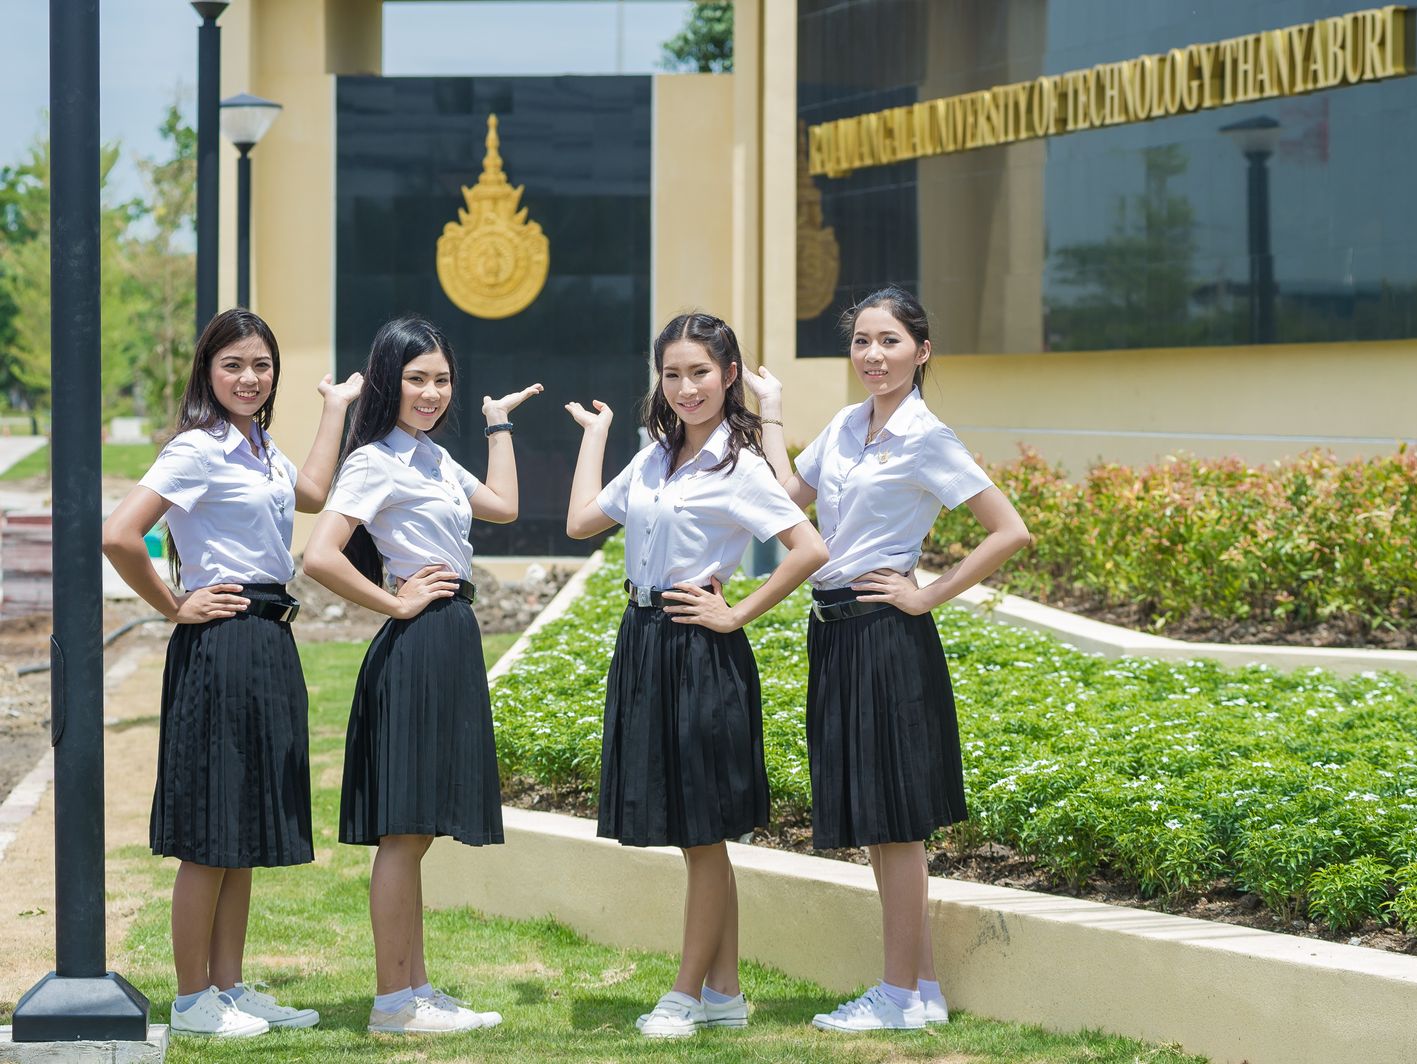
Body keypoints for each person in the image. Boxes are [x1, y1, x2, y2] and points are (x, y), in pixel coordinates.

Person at [746, 285, 1030, 1032]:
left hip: (886, 635)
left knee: (896, 822)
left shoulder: (927, 438)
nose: (873, 355)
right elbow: (789, 498)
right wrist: (771, 414)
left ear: (921, 351)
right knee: (879, 819)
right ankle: (922, 990)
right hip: (835, 631)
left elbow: (1008, 531)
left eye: (890, 341)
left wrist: (927, 594)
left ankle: (898, 995)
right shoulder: (846, 424)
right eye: (862, 341)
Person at [564, 312, 828, 1039]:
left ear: (729, 375)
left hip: (700, 649)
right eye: (672, 374)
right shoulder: (654, 456)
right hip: (643, 640)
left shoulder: (739, 467)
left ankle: (683, 995)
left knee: (702, 834)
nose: (686, 388)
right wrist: (596, 435)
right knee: (699, 834)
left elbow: (809, 549)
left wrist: (737, 614)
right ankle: (725, 994)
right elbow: (581, 521)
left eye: (700, 373)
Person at [101, 308, 363, 1038]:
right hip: (219, 643)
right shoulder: (197, 449)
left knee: (241, 827)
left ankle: (229, 988)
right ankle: (192, 1002)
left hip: (268, 639)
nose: (250, 378)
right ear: (207, 372)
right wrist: (173, 605)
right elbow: (119, 534)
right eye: (234, 365)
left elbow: (312, 493)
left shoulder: (259, 447)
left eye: (262, 365)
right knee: (210, 831)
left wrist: (335, 407)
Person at [301, 316, 540, 1036]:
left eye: (441, 380)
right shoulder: (376, 461)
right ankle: (393, 1002)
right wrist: (396, 602)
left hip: (449, 638)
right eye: (416, 379)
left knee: (418, 833)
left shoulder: (431, 458)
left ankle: (417, 989)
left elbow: (504, 507)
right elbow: (320, 555)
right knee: (403, 834)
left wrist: (497, 424)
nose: (432, 392)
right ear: (388, 381)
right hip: (418, 641)